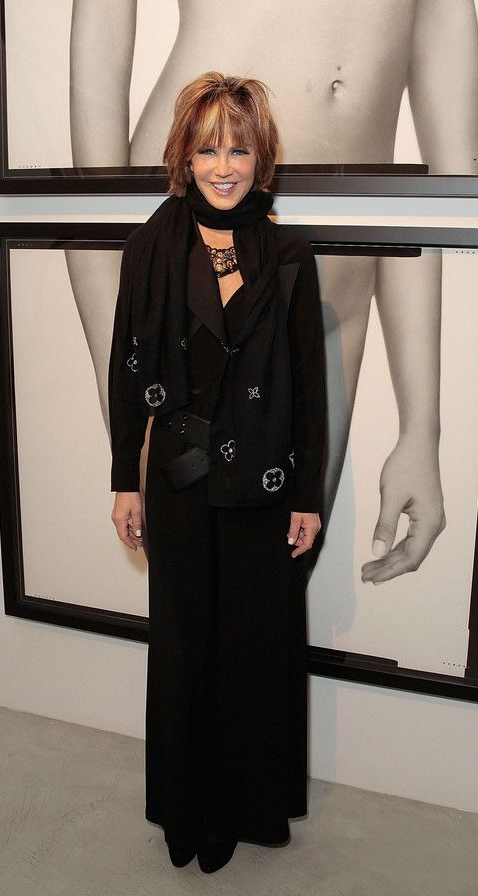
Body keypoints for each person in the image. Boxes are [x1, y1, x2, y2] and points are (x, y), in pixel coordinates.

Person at [71, 0, 471, 581]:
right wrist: (128, 425)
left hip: (343, 273)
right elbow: (97, 59)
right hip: (192, 253)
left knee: (277, 588)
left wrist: (422, 424)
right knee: (197, 591)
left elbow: (441, 11)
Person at [108, 73, 326, 871]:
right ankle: (183, 807)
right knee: (182, 645)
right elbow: (127, 369)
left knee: (251, 651)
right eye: (207, 150)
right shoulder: (150, 247)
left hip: (262, 482)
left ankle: (236, 808)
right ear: (184, 158)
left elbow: (307, 385)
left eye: (238, 149)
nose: (223, 166)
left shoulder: (289, 255)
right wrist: (123, 478)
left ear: (260, 157)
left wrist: (307, 495)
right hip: (177, 478)